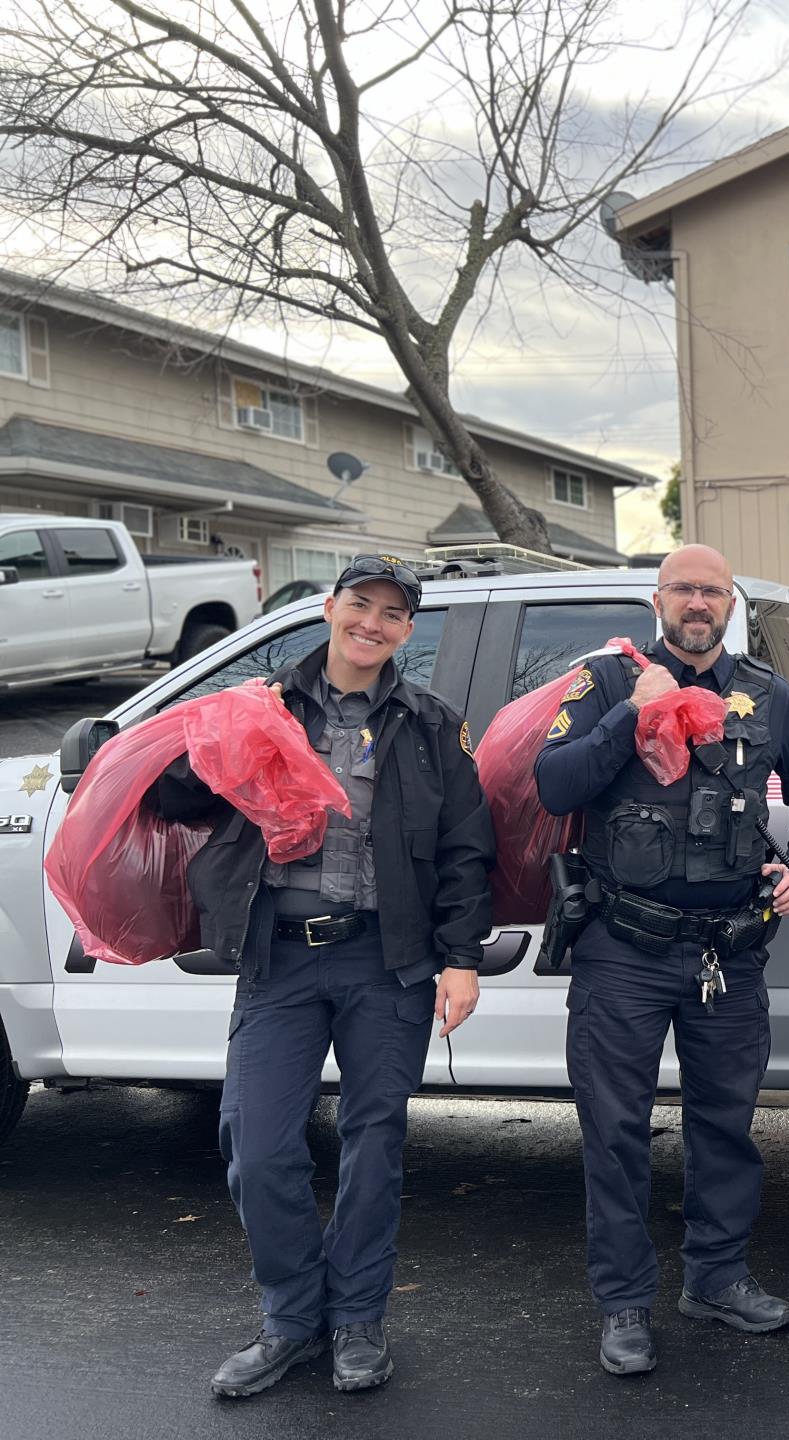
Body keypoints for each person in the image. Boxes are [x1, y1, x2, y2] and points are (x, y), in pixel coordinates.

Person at [149, 555, 494, 1398]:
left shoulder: (431, 722)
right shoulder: (266, 703)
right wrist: (220, 739)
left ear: (408, 631)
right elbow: (178, 799)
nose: (371, 624)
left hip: (389, 963)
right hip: (281, 959)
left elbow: (465, 849)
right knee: (257, 1147)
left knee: (375, 1149)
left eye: (391, 614)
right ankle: (291, 1320)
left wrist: (459, 959)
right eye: (360, 605)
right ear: (330, 610)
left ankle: (357, 1320)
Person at [533, 543, 789, 1377]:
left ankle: (717, 1278)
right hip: (622, 950)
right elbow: (554, 785)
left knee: (726, 1128)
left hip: (728, 953)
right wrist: (634, 713)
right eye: (684, 589)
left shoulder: (768, 696)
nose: (697, 603)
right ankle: (625, 1303)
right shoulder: (605, 683)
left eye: (712, 590)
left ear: (728, 602)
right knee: (617, 1132)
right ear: (658, 599)